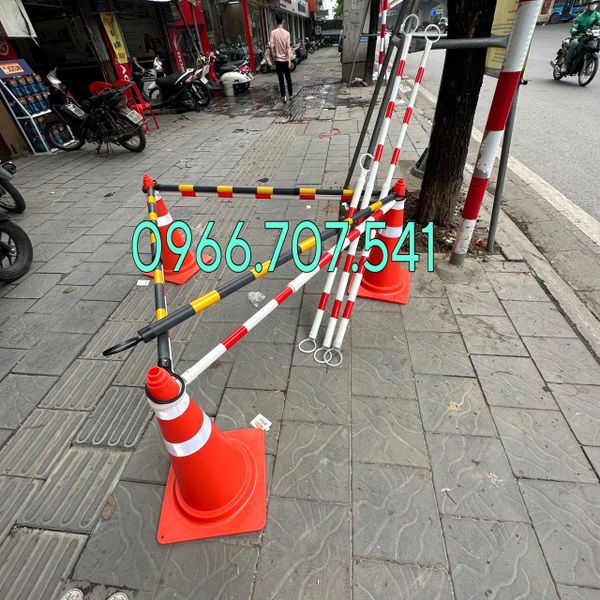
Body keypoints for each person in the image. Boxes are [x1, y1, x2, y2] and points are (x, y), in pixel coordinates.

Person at [563, 0, 600, 73]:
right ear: (588, 5)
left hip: (591, 37)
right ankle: (566, 64)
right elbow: (574, 27)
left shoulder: (597, 15)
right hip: (579, 36)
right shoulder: (581, 16)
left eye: (595, 3)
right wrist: (575, 31)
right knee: (574, 44)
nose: (593, 5)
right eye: (592, 3)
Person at [270, 13, 293, 103]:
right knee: (288, 78)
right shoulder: (287, 33)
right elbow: (288, 48)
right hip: (286, 60)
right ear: (283, 21)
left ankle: (284, 97)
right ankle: (291, 95)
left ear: (275, 21)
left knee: (281, 79)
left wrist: (273, 56)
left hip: (278, 60)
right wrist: (289, 60)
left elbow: (271, 46)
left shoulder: (273, 33)